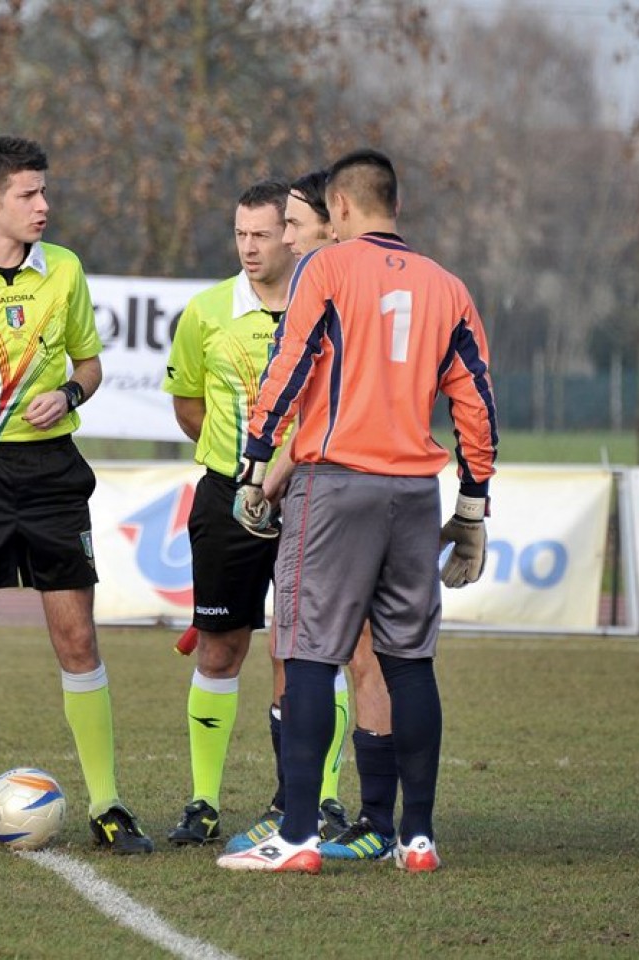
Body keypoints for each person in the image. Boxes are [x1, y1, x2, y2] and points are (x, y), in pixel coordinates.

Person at [217, 148, 497, 874]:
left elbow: (292, 361)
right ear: (394, 205)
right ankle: (420, 838)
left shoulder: (327, 270)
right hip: (413, 492)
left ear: (338, 208)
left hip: (336, 483)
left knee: (308, 651)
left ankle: (299, 836)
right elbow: (476, 401)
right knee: (410, 659)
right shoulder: (448, 286)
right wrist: (472, 507)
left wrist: (253, 463)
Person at [0, 135, 153, 855]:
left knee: (77, 637)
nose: (44, 205)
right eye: (28, 194)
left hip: (51, 475)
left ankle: (108, 806)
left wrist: (68, 393)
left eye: (44, 192)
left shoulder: (67, 271)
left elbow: (90, 365)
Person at [161, 178, 350, 848]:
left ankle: (315, 801)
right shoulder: (206, 312)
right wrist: (240, 467)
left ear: (292, 234)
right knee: (220, 647)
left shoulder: (326, 303)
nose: (249, 247)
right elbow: (187, 405)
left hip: (315, 494)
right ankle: (203, 802)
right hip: (226, 498)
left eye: (263, 234)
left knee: (302, 653)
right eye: (240, 234)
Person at [223, 171, 400, 862]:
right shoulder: (391, 285)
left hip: (337, 488)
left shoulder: (328, 287)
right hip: (381, 486)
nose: (286, 236)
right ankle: (372, 822)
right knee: (342, 656)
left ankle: (317, 819)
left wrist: (262, 474)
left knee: (333, 655)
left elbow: (317, 411)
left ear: (335, 221)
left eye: (295, 224)